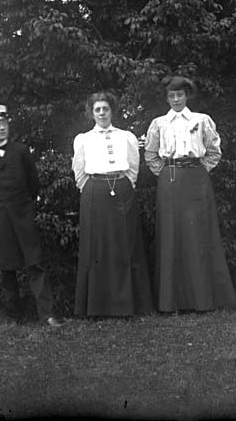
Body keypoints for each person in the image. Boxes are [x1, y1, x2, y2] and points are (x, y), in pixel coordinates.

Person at [144, 76, 236, 312]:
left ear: (187, 96)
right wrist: (167, 173)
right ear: (167, 98)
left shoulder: (201, 120)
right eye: (171, 96)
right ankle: (171, 301)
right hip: (170, 179)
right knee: (171, 233)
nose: (176, 99)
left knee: (198, 234)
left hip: (196, 178)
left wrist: (196, 172)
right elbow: (151, 154)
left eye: (180, 95)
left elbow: (214, 151)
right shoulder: (159, 124)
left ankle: (202, 299)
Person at [0, 104, 62, 327]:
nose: (1, 128)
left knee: (35, 263)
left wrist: (23, 206)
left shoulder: (21, 152)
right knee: (6, 268)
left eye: (4, 123)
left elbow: (33, 184)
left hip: (23, 216)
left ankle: (47, 315)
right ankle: (14, 316)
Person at [72, 90, 154, 316]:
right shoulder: (83, 139)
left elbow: (133, 168)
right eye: (97, 109)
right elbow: (79, 171)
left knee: (126, 243)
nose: (101, 113)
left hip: (122, 189)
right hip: (94, 191)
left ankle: (128, 305)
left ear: (112, 111)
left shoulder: (126, 137)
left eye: (105, 109)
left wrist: (124, 185)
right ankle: (98, 306)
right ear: (91, 113)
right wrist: (93, 189)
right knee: (97, 246)